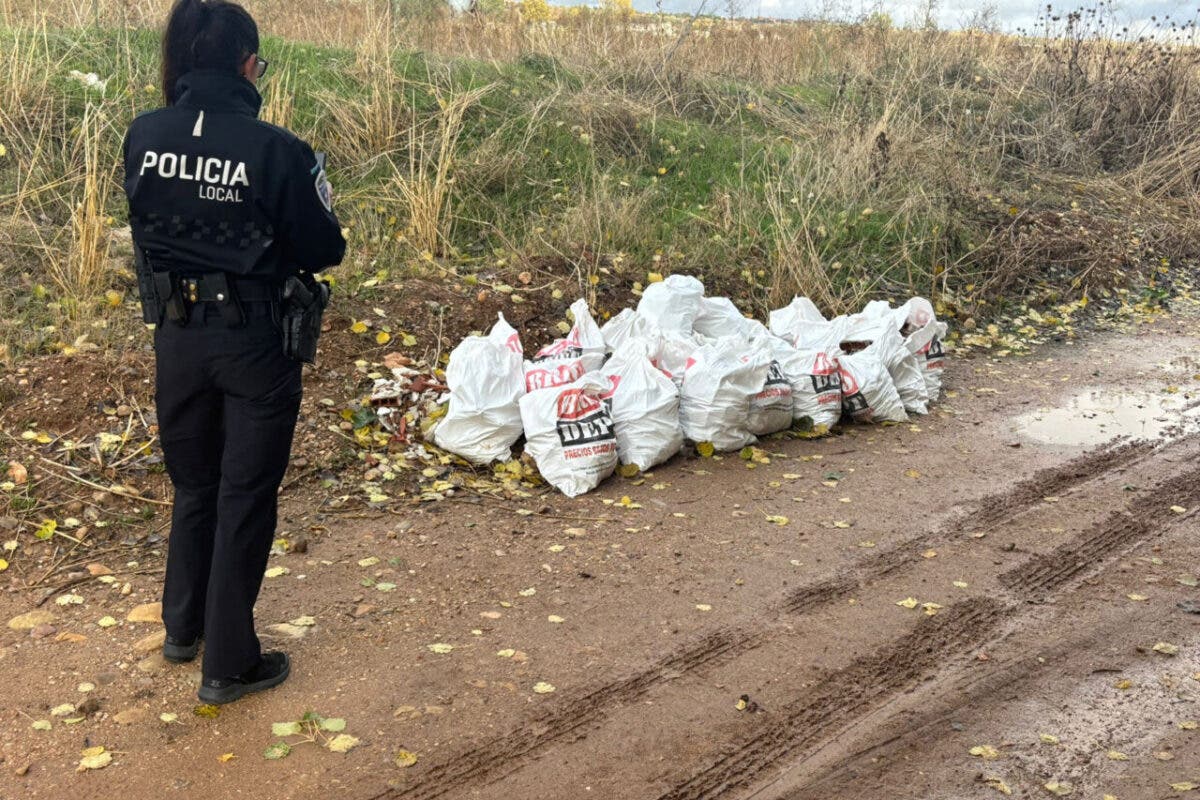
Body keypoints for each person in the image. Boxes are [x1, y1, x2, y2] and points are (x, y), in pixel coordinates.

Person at [122, 0, 346, 704]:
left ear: (184, 61)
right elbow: (324, 247)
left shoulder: (143, 134)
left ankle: (182, 629)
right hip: (254, 339)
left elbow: (145, 224)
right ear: (248, 64)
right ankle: (229, 662)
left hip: (177, 336)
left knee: (195, 484)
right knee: (246, 492)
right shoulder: (278, 150)